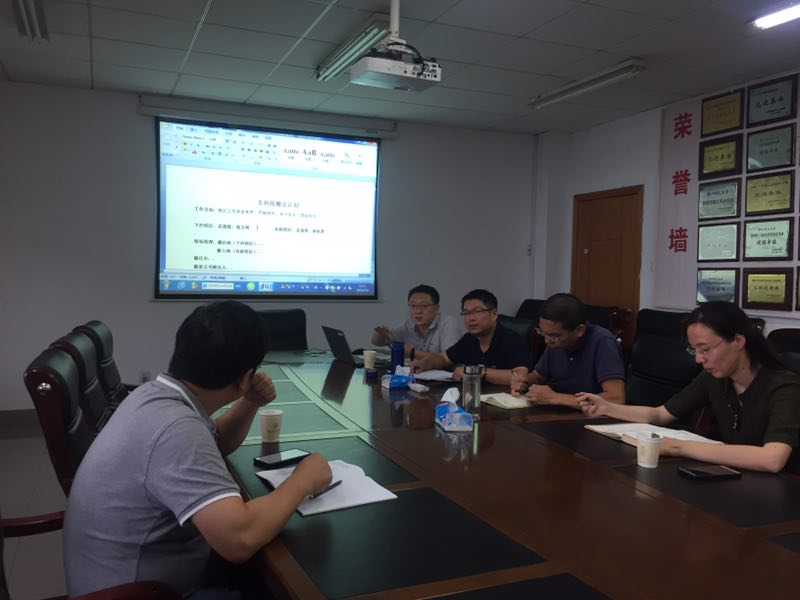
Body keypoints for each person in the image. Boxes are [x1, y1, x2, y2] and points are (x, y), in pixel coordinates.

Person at [64, 301, 332, 598]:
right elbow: (239, 540)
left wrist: (249, 402)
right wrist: (301, 481)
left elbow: (215, 443)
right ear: (246, 378)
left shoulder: (154, 395)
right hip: (143, 593)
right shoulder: (176, 429)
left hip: (125, 579)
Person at [578, 301, 800, 473]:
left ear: (738, 341)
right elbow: (659, 414)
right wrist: (606, 407)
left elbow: (773, 459)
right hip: (739, 477)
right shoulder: (715, 377)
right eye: (695, 350)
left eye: (705, 349)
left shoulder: (784, 385)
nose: (699, 359)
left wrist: (679, 447)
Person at [511, 293, 625, 409]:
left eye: (554, 336)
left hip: (588, 416)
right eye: (542, 332)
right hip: (558, 412)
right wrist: (524, 381)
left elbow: (616, 398)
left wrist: (555, 398)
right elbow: (538, 376)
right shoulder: (554, 340)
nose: (546, 341)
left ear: (579, 330)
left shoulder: (603, 341)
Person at [413, 289, 530, 385]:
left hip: (505, 402)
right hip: (474, 397)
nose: (470, 318)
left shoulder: (512, 340)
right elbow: (443, 358)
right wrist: (424, 364)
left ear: (494, 314)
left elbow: (520, 376)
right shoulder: (469, 339)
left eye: (477, 312)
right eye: (466, 313)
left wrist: (475, 372)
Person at [372, 284, 464, 361]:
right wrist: (380, 333)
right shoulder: (408, 324)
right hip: (418, 373)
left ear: (436, 308)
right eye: (413, 306)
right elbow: (378, 342)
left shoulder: (448, 323)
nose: (418, 311)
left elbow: (451, 359)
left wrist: (412, 352)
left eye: (424, 306)